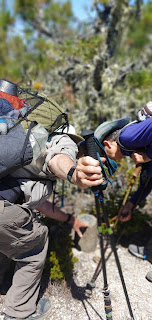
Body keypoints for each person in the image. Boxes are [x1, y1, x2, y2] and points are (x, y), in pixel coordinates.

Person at [0, 84, 105, 319]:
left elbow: (37, 203)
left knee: (11, 233)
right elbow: (58, 158)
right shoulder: (62, 137)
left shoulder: (16, 135)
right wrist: (74, 173)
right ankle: (19, 313)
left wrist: (70, 219)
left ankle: (4, 282)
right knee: (34, 245)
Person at [94, 115, 152, 282]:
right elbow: (148, 181)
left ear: (108, 144)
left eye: (105, 155)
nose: (108, 160)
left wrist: (147, 157)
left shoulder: (126, 137)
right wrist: (131, 204)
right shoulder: (131, 147)